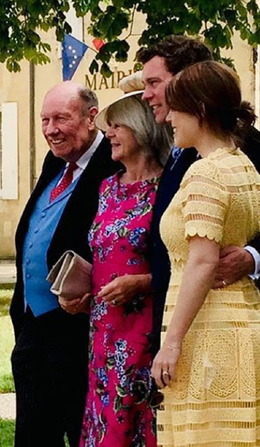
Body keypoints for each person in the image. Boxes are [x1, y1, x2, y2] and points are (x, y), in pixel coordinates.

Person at [151, 60, 260, 446]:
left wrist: (172, 342)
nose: (169, 119)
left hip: (209, 332)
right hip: (240, 322)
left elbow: (201, 259)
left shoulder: (205, 172)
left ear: (199, 110)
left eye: (175, 109)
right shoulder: (242, 164)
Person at [60, 73, 171, 446]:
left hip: (144, 327)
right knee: (103, 420)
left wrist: (142, 282)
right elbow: (104, 252)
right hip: (102, 328)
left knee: (136, 421)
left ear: (142, 129)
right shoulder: (107, 187)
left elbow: (182, 262)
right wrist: (81, 289)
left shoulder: (168, 189)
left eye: (117, 125)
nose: (109, 133)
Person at [133, 35, 260, 355]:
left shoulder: (244, 147)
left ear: (191, 82)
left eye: (154, 83)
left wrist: (253, 257)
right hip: (177, 321)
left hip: (219, 327)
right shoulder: (175, 146)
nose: (146, 95)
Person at [10, 81, 120, 447]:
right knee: (32, 434)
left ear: (92, 118)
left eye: (61, 118)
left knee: (81, 429)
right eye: (45, 120)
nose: (51, 129)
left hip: (80, 327)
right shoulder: (56, 162)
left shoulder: (115, 161)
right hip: (33, 322)